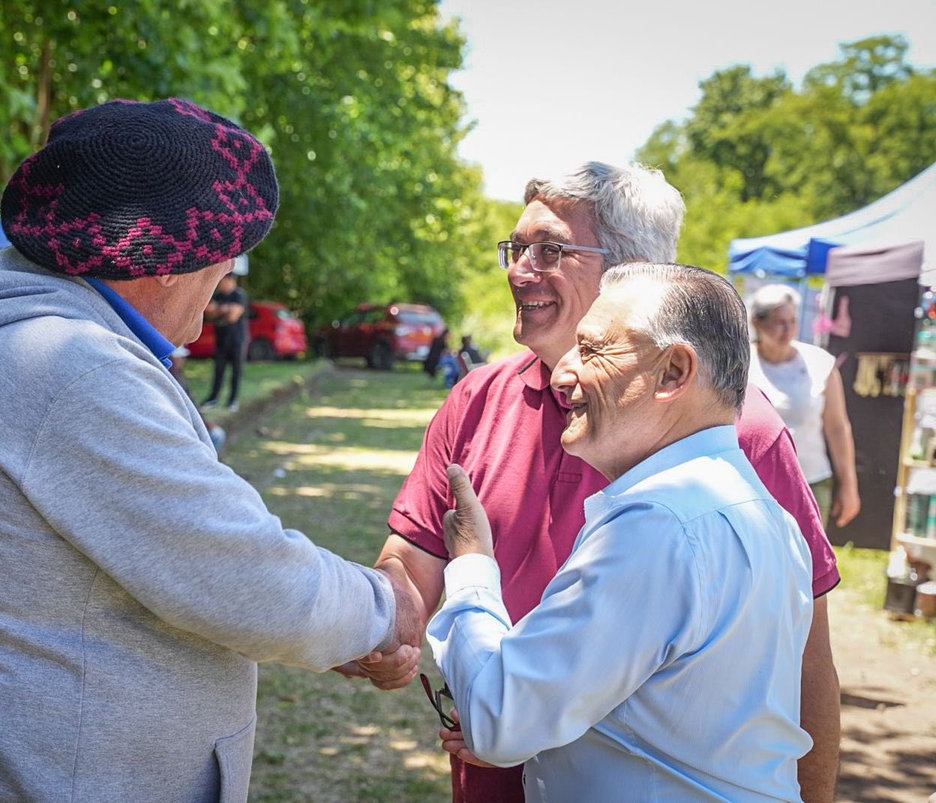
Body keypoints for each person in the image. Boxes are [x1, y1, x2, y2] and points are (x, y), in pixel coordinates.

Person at [0, 98, 420, 801]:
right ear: (166, 261)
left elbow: (151, 565)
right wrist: (383, 606)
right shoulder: (72, 368)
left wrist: (335, 633)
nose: (222, 283)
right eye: (220, 267)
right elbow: (237, 571)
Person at [350, 162, 842, 803]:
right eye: (517, 247)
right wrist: (369, 623)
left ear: (633, 269)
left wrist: (500, 691)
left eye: (549, 249)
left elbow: (804, 660)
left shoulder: (736, 430)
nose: (518, 269)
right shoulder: (476, 398)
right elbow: (410, 562)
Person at [429, 264, 814, 800]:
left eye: (591, 350)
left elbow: (499, 719)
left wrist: (471, 565)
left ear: (674, 371)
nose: (564, 374)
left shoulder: (660, 522)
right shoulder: (762, 513)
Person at [748, 283, 861, 528]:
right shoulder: (742, 364)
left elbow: (838, 428)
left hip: (811, 480)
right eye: (779, 322)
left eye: (793, 321)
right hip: (755, 485)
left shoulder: (819, 363)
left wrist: (849, 485)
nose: (788, 329)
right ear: (757, 322)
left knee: (811, 562)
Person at [200, 271, 249, 412]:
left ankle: (233, 400)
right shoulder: (219, 296)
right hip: (221, 339)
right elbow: (209, 311)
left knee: (236, 370)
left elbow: (233, 315)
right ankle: (213, 398)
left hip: (237, 339)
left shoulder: (239, 295)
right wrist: (225, 310)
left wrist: (219, 309)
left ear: (231, 281)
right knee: (218, 370)